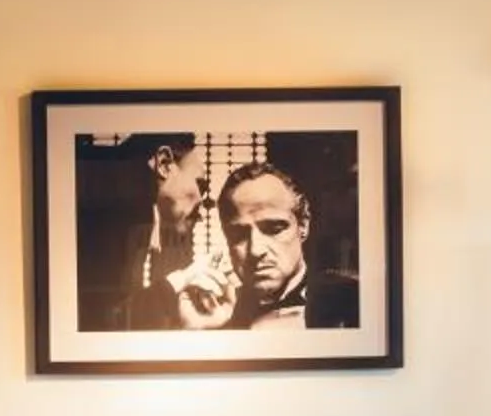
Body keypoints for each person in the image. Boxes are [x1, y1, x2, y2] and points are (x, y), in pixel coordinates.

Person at [178, 160, 359, 330]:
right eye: (239, 235)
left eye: (273, 229)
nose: (256, 250)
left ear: (303, 225)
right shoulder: (215, 312)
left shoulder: (353, 299)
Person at [117, 136, 232, 330]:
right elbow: (112, 319)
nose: (204, 201)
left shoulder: (153, 227)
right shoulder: (105, 226)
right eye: (200, 185)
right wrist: (182, 278)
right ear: (164, 164)